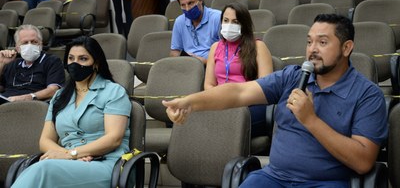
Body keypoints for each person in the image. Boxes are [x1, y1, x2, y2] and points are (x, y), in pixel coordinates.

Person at [163, 13, 388, 187]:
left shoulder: (367, 95)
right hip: (274, 178)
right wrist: (189, 102)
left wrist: (310, 120)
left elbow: (363, 161)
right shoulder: (293, 76)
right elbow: (238, 93)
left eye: (322, 43)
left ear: (347, 48)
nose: (312, 50)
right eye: (309, 42)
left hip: (324, 183)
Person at [11, 36, 132, 187]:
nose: (75, 63)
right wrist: (66, 156)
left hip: (107, 164)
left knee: (43, 169)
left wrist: (72, 154)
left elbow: (114, 138)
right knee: (37, 169)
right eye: (71, 58)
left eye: (83, 59)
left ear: (96, 63)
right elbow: (45, 140)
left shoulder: (114, 92)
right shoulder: (59, 96)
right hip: (68, 163)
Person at [205, 3, 273, 139]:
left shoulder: (258, 47)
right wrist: (221, 100)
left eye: (235, 22)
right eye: (225, 21)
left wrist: (235, 101)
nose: (229, 25)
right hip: (221, 104)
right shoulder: (215, 47)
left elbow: (266, 87)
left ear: (244, 24)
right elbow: (208, 85)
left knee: (224, 127)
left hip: (249, 105)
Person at [0, 24, 65, 102]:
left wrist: (29, 97)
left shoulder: (52, 61)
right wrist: (1, 64)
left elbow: (53, 90)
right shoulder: (12, 63)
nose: (29, 45)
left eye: (34, 42)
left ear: (41, 44)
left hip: (33, 106)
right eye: (25, 43)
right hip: (5, 102)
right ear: (17, 48)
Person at [170, 0, 221, 64]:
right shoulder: (179, 21)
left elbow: (227, 53)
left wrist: (201, 61)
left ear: (200, 0)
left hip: (212, 67)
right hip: (188, 67)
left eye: (190, 3)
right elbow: (174, 51)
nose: (187, 9)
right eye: (183, 5)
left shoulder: (218, 18)